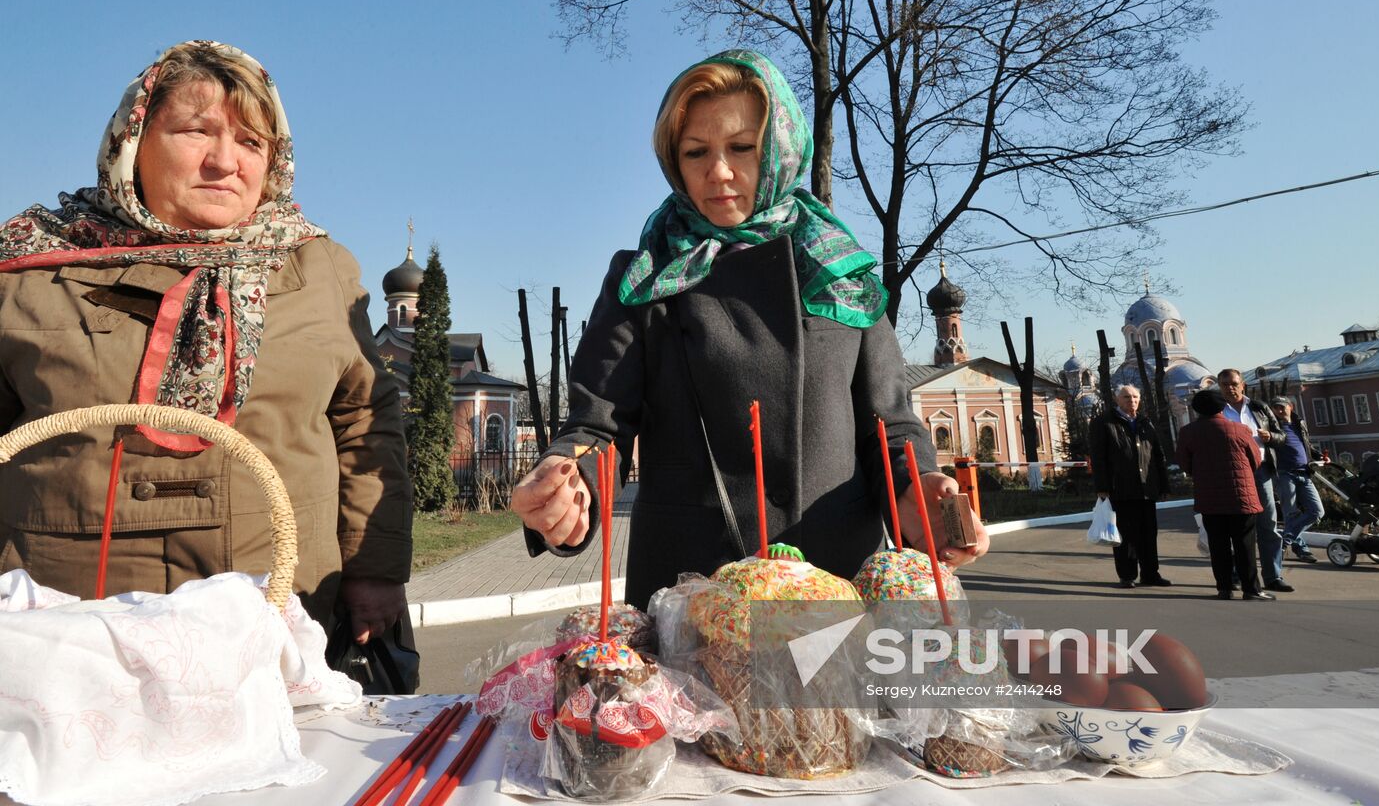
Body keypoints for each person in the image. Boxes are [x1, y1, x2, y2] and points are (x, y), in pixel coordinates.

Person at [510, 49, 989, 608]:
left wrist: (916, 491)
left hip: (836, 586)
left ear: (780, 150)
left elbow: (891, 426)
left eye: (742, 148)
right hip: (691, 594)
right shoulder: (645, 277)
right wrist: (569, 486)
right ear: (674, 160)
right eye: (696, 152)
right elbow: (598, 428)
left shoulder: (840, 269)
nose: (718, 171)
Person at [0, 41, 412, 643]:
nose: (226, 161)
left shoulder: (316, 265)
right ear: (133, 141)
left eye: (251, 142)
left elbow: (367, 422)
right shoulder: (28, 270)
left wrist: (375, 570)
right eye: (198, 131)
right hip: (67, 627)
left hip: (276, 610)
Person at [1177, 389, 1269, 599]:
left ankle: (1224, 588)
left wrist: (1199, 472)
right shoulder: (1239, 429)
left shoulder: (1188, 432)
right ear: (1221, 407)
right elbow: (1255, 459)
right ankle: (1251, 589)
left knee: (1218, 545)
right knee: (1245, 544)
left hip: (1209, 498)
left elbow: (1184, 463)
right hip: (1241, 497)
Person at [1088, 384, 1172, 589]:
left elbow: (1158, 455)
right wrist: (1102, 486)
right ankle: (1127, 575)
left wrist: (1163, 485)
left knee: (1149, 534)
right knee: (1126, 535)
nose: (1131, 400)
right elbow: (1098, 457)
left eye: (1135, 396)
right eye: (1126, 396)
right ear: (1117, 399)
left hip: (1146, 489)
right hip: (1120, 489)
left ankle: (1151, 574)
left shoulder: (1145, 423)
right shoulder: (1104, 423)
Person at [1217, 368, 1292, 593]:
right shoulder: (1218, 411)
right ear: (1219, 387)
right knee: (1237, 527)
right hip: (1232, 474)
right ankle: (1238, 574)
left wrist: (1271, 437)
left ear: (1243, 385)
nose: (1230, 387)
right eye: (1224, 384)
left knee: (1268, 523)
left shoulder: (1258, 408)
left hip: (1261, 471)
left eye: (1233, 383)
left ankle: (1272, 576)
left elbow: (1281, 436)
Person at [1269, 396, 1325, 564]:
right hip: (1284, 474)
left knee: (1317, 512)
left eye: (1281, 407)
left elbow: (1306, 444)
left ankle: (1285, 540)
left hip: (1305, 473)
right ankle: (1301, 548)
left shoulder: (1299, 423)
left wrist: (1318, 455)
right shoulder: (1272, 426)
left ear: (1290, 407)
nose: (1279, 411)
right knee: (1291, 514)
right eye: (1275, 408)